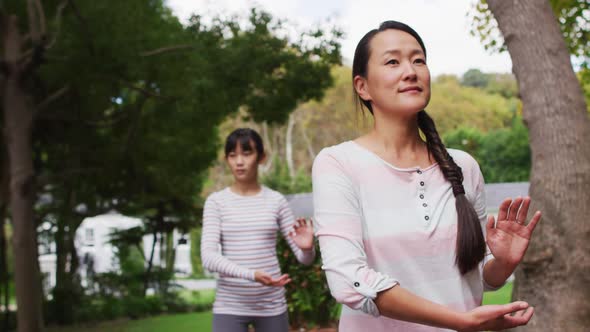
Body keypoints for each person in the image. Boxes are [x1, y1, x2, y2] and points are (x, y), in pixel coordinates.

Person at [311, 21, 542, 332]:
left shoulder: (463, 166)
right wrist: (459, 321)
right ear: (362, 86)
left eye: (418, 60)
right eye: (393, 61)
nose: (411, 71)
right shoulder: (339, 163)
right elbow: (347, 279)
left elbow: (478, 278)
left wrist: (503, 263)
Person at [201, 128, 315, 332]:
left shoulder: (276, 201)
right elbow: (208, 258)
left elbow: (304, 259)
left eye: (247, 153)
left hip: (271, 306)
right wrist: (252, 275)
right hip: (229, 305)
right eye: (232, 155)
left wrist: (307, 248)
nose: (239, 162)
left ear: (261, 157)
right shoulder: (216, 202)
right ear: (226, 159)